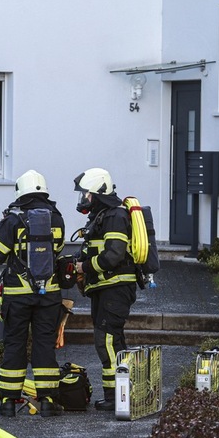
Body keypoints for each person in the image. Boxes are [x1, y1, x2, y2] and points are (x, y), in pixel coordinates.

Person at [0, 170, 66, 417]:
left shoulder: (13, 220)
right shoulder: (57, 218)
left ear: (21, 190)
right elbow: (59, 251)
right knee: (44, 345)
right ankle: (49, 401)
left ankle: (8, 403)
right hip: (49, 295)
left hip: (17, 296)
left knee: (15, 345)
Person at [72, 168, 138, 411]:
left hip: (116, 288)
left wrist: (85, 266)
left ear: (98, 193)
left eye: (87, 195)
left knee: (107, 340)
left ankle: (115, 397)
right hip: (105, 288)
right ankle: (122, 392)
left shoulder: (115, 217)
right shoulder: (102, 216)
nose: (84, 199)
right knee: (113, 340)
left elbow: (114, 255)